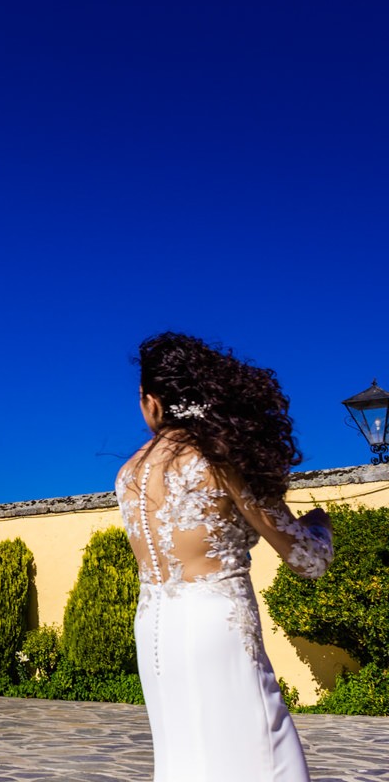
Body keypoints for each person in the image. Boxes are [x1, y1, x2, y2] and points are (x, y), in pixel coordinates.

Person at [116, 333, 334, 781]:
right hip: (218, 627)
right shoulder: (218, 458)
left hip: (155, 631)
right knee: (265, 756)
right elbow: (307, 559)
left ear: (153, 402)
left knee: (186, 759)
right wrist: (320, 525)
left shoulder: (127, 474)